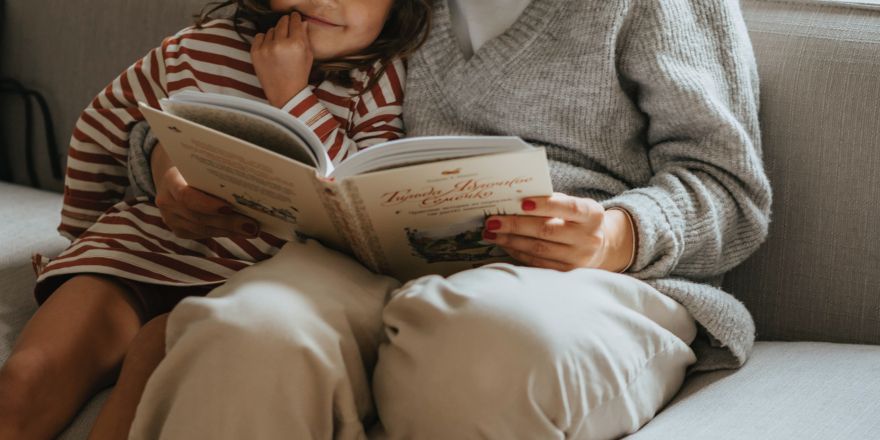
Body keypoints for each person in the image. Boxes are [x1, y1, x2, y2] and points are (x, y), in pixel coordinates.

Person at [118, 0, 772, 438]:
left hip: (580, 277)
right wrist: (175, 165)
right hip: (365, 257)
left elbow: (729, 187)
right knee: (245, 334)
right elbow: (224, 63)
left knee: (482, 349)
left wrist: (619, 234)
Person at [0, 1, 432, 438]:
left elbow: (362, 199)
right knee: (25, 381)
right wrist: (77, 232)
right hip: (144, 248)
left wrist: (291, 96)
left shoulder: (382, 79)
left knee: (151, 371)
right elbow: (103, 121)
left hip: (255, 279)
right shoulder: (197, 48)